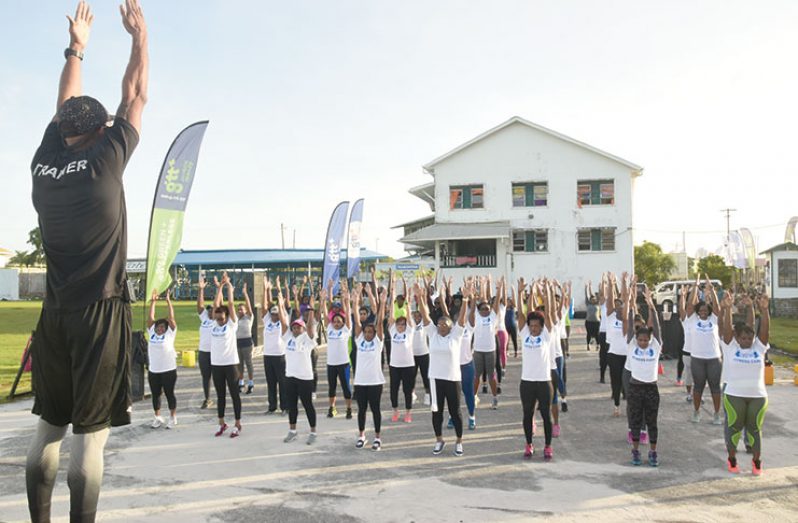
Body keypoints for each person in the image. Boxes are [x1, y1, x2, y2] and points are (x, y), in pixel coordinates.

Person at [26, 2, 148, 521]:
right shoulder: (105, 161)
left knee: (46, 434)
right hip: (99, 315)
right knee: (88, 446)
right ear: (101, 131)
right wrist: (140, 37)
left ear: (63, 130)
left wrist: (77, 47)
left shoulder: (43, 165)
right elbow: (136, 94)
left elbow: (65, 104)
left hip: (53, 316)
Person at [414, 280, 472, 457]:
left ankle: (459, 441)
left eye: (444, 325)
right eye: (439, 325)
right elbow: (425, 315)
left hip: (453, 379)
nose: (441, 327)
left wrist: (465, 299)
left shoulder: (456, 335)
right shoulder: (433, 334)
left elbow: (462, 319)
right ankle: (439, 440)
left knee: (455, 412)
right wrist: (419, 297)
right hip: (435, 379)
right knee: (436, 412)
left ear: (450, 327)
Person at [719, 292, 770, 475]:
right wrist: (726, 309)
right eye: (743, 338)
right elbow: (726, 330)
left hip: (757, 396)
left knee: (754, 430)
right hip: (734, 395)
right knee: (734, 428)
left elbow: (764, 330)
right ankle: (732, 459)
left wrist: (764, 311)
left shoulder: (759, 348)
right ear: (737, 338)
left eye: (749, 338)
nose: (747, 341)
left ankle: (756, 462)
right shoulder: (730, 347)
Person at [623, 285, 662, 467]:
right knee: (636, 421)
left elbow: (657, 327)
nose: (643, 342)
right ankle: (636, 451)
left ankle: (653, 452)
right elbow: (630, 326)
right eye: (641, 340)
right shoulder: (631, 345)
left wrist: (651, 305)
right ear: (636, 340)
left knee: (652, 422)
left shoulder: (656, 346)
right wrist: (631, 304)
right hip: (635, 388)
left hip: (651, 388)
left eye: (646, 340)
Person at [277, 277, 318, 445]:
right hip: (290, 376)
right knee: (292, 406)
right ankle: (292, 430)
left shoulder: (307, 339)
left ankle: (313, 432)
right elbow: (282, 321)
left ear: (302, 328)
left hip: (305, 378)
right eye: (294, 327)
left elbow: (309, 326)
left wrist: (312, 309)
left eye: (298, 327)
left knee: (308, 405)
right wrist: (280, 303)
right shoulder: (288, 338)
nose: (295, 329)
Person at [682, 275, 723, 424]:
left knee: (715, 388)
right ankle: (696, 412)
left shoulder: (714, 319)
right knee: (698, 387)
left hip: (714, 359)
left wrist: (711, 290)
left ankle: (717, 414)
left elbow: (717, 308)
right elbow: (690, 306)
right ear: (698, 311)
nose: (703, 312)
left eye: (706, 310)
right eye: (701, 310)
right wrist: (695, 286)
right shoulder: (693, 320)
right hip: (697, 359)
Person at [351, 283, 387, 450]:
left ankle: (378, 438)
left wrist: (382, 303)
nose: (367, 334)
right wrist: (356, 298)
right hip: (360, 381)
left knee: (376, 410)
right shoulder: (359, 341)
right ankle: (362, 436)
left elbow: (379, 323)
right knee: (361, 410)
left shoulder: (378, 343)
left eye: (370, 332)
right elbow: (357, 321)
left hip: (375, 382)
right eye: (366, 332)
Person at [210, 274, 242, 438]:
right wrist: (219, 287)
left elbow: (229, 304)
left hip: (230, 364)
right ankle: (222, 423)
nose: (219, 320)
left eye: (222, 318)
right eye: (217, 318)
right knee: (220, 395)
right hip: (216, 365)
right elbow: (217, 304)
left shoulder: (231, 324)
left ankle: (237, 423)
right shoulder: (213, 325)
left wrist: (229, 285)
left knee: (234, 394)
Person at [319, 280, 353, 419]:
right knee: (331, 388)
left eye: (339, 321)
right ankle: (332, 408)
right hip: (331, 364)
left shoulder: (346, 329)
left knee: (346, 387)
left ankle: (349, 408)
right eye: (335, 321)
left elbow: (348, 311)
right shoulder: (330, 328)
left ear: (343, 322)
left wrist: (346, 297)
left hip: (344, 363)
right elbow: (326, 310)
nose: (336, 323)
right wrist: (323, 298)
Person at [146, 289, 178, 429]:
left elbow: (171, 318)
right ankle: (157, 416)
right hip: (154, 370)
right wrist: (153, 302)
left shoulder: (170, 334)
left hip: (168, 369)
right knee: (155, 395)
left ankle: (172, 417)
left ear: (166, 328)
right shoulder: (151, 333)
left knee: (169, 393)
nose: (159, 329)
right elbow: (151, 317)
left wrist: (168, 302)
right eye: (158, 327)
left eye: (162, 327)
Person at [387, 274, 416, 423]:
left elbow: (409, 315)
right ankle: (395, 411)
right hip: (395, 366)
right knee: (393, 390)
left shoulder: (409, 331)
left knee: (407, 390)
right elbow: (391, 314)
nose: (400, 326)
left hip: (408, 365)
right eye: (399, 324)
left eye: (402, 324)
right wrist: (392, 293)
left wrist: (409, 303)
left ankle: (408, 413)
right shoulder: (392, 331)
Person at [472, 275, 501, 409]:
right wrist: (474, 289)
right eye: (483, 308)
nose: (485, 310)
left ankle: (494, 398)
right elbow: (474, 302)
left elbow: (496, 303)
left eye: (487, 309)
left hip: (490, 351)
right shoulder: (476, 316)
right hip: (478, 351)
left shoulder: (493, 316)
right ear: (479, 310)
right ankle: (473, 397)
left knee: (491, 375)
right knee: (476, 375)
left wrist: (499, 288)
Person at [451, 281, 476, 430]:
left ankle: (472, 416)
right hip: (453, 367)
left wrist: (469, 297)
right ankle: (452, 417)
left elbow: (472, 311)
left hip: (467, 365)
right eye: (458, 319)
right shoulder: (452, 330)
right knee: (453, 395)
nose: (460, 320)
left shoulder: (470, 327)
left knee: (468, 393)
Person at [605, 273, 628, 416]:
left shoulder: (627, 317)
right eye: (617, 306)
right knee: (616, 380)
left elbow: (626, 298)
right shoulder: (610, 317)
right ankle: (616, 406)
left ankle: (629, 401)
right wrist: (611, 283)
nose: (619, 308)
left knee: (628, 381)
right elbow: (609, 301)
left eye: (621, 306)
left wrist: (624, 282)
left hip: (627, 355)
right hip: (614, 354)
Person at [262, 279, 286, 414]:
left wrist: (278, 291)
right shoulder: (267, 321)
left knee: (282, 383)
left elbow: (282, 309)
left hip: (280, 356)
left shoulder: (283, 321)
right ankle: (272, 407)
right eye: (273, 314)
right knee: (271, 383)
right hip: (268, 356)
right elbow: (264, 306)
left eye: (277, 314)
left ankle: (284, 407)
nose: (274, 316)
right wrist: (266, 290)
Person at [197, 274, 215, 409]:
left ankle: (222, 397)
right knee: (205, 377)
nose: (210, 312)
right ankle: (207, 398)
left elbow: (219, 304)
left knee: (219, 378)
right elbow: (200, 305)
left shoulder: (219, 321)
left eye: (212, 310)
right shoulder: (204, 319)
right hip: (204, 352)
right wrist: (201, 289)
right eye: (209, 310)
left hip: (216, 353)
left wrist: (219, 288)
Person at [235, 282, 255, 394]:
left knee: (249, 363)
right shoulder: (235, 319)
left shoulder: (249, 317)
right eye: (238, 310)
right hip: (238, 343)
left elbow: (249, 305)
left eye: (241, 309)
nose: (240, 311)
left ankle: (251, 383)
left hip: (247, 343)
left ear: (245, 310)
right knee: (239, 364)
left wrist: (245, 293)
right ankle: (241, 382)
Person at [411, 305, 432, 407]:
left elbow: (425, 311)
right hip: (412, 355)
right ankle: (412, 394)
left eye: (419, 316)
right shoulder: (410, 324)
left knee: (426, 376)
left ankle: (428, 395)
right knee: (411, 376)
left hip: (424, 353)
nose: (417, 318)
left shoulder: (424, 324)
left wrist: (421, 297)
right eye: (415, 316)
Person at [677, 285, 695, 403]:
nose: (689, 310)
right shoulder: (685, 320)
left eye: (691, 308)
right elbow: (681, 309)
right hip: (687, 352)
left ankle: (698, 394)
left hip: (699, 352)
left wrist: (696, 289)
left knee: (699, 376)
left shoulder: (698, 319)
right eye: (688, 308)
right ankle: (689, 394)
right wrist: (682, 296)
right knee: (689, 376)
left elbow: (694, 302)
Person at [597, 275, 611, 383]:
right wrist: (603, 282)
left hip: (613, 334)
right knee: (603, 356)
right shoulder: (603, 304)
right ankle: (602, 375)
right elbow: (602, 294)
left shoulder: (615, 306)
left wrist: (611, 283)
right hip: (603, 333)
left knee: (612, 357)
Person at [584, 282, 601, 351]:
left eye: (594, 299)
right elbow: (586, 295)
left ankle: (598, 345)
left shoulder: (598, 304)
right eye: (592, 299)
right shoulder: (588, 304)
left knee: (597, 334)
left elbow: (599, 296)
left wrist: (599, 288)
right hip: (588, 322)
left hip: (596, 322)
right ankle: (588, 345)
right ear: (590, 300)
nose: (593, 300)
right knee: (589, 334)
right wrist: (586, 288)